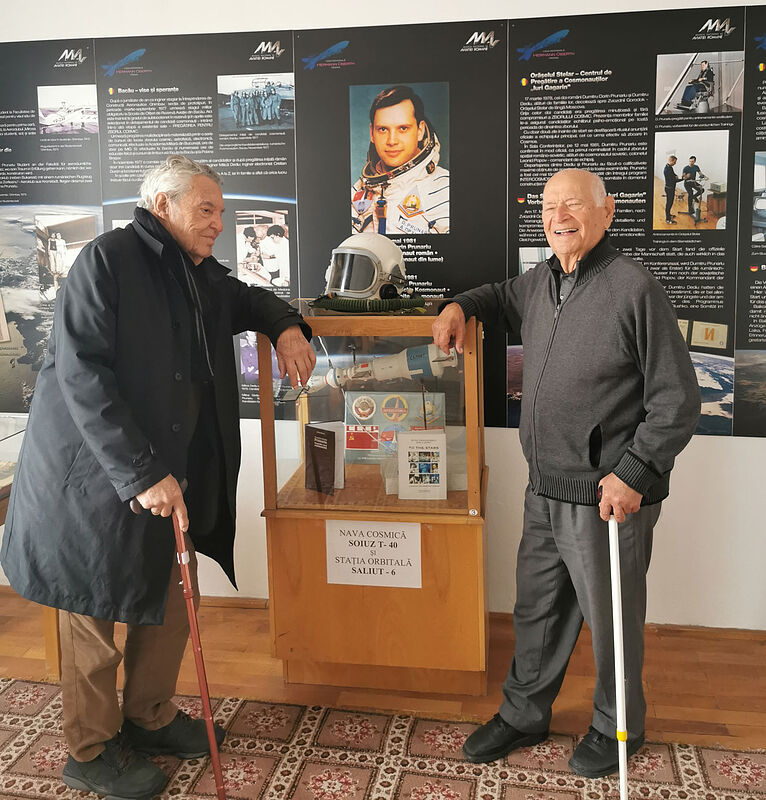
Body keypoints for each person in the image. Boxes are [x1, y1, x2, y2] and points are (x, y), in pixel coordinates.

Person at [0, 155, 316, 798]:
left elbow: (247, 297)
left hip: (166, 476)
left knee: (174, 595)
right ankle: (90, 750)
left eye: (222, 213)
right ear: (163, 206)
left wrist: (284, 325)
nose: (218, 225)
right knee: (92, 612)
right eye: (207, 211)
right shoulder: (108, 260)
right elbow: (82, 376)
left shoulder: (197, 271)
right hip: (93, 480)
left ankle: (147, 715)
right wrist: (143, 471)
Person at [432, 169, 700, 778]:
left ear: (607, 213)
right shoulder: (541, 281)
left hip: (607, 496)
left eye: (574, 205)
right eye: (550, 206)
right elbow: (492, 299)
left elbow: (678, 399)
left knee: (611, 617)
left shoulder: (635, 289)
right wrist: (456, 306)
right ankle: (525, 712)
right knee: (537, 610)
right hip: (544, 485)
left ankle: (618, 725)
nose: (559, 216)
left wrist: (633, 474)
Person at [351, 85, 449, 235]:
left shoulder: (446, 191)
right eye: (383, 129)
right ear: (372, 133)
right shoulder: (357, 192)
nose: (391, 141)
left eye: (403, 128)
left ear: (420, 131)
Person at [662, 155, 683, 224]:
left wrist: (676, 175)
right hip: (669, 189)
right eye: (674, 162)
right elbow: (673, 180)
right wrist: (683, 179)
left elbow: (673, 175)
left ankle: (669, 215)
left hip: (670, 188)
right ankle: (668, 219)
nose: (675, 163)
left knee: (670, 203)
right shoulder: (667, 169)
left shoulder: (669, 167)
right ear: (671, 160)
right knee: (669, 204)